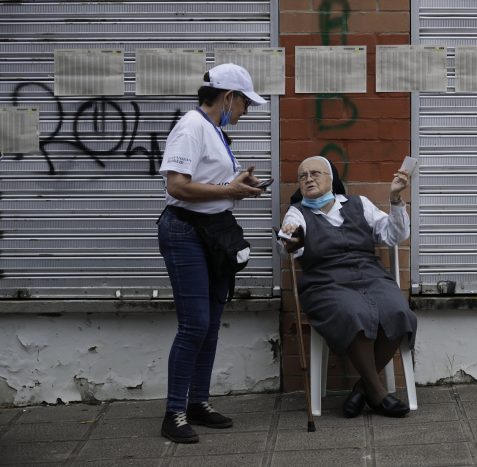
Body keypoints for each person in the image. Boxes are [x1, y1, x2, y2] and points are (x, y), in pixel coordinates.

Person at [157, 63, 266, 443]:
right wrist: (228, 191)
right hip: (186, 232)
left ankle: (198, 403)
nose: (246, 111)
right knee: (195, 325)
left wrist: (238, 183)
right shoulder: (191, 126)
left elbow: (210, 181)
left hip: (214, 234)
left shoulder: (214, 130)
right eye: (245, 103)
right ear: (228, 97)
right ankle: (174, 413)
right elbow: (177, 186)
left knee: (211, 324)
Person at [280, 156, 417, 418]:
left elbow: (394, 235)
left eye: (315, 173)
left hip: (371, 276)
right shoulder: (297, 212)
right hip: (325, 283)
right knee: (353, 313)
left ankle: (362, 388)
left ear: (331, 178)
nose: (309, 179)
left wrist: (396, 199)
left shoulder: (359, 204)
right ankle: (377, 394)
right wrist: (289, 240)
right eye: (303, 176)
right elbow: (290, 247)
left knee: (399, 312)